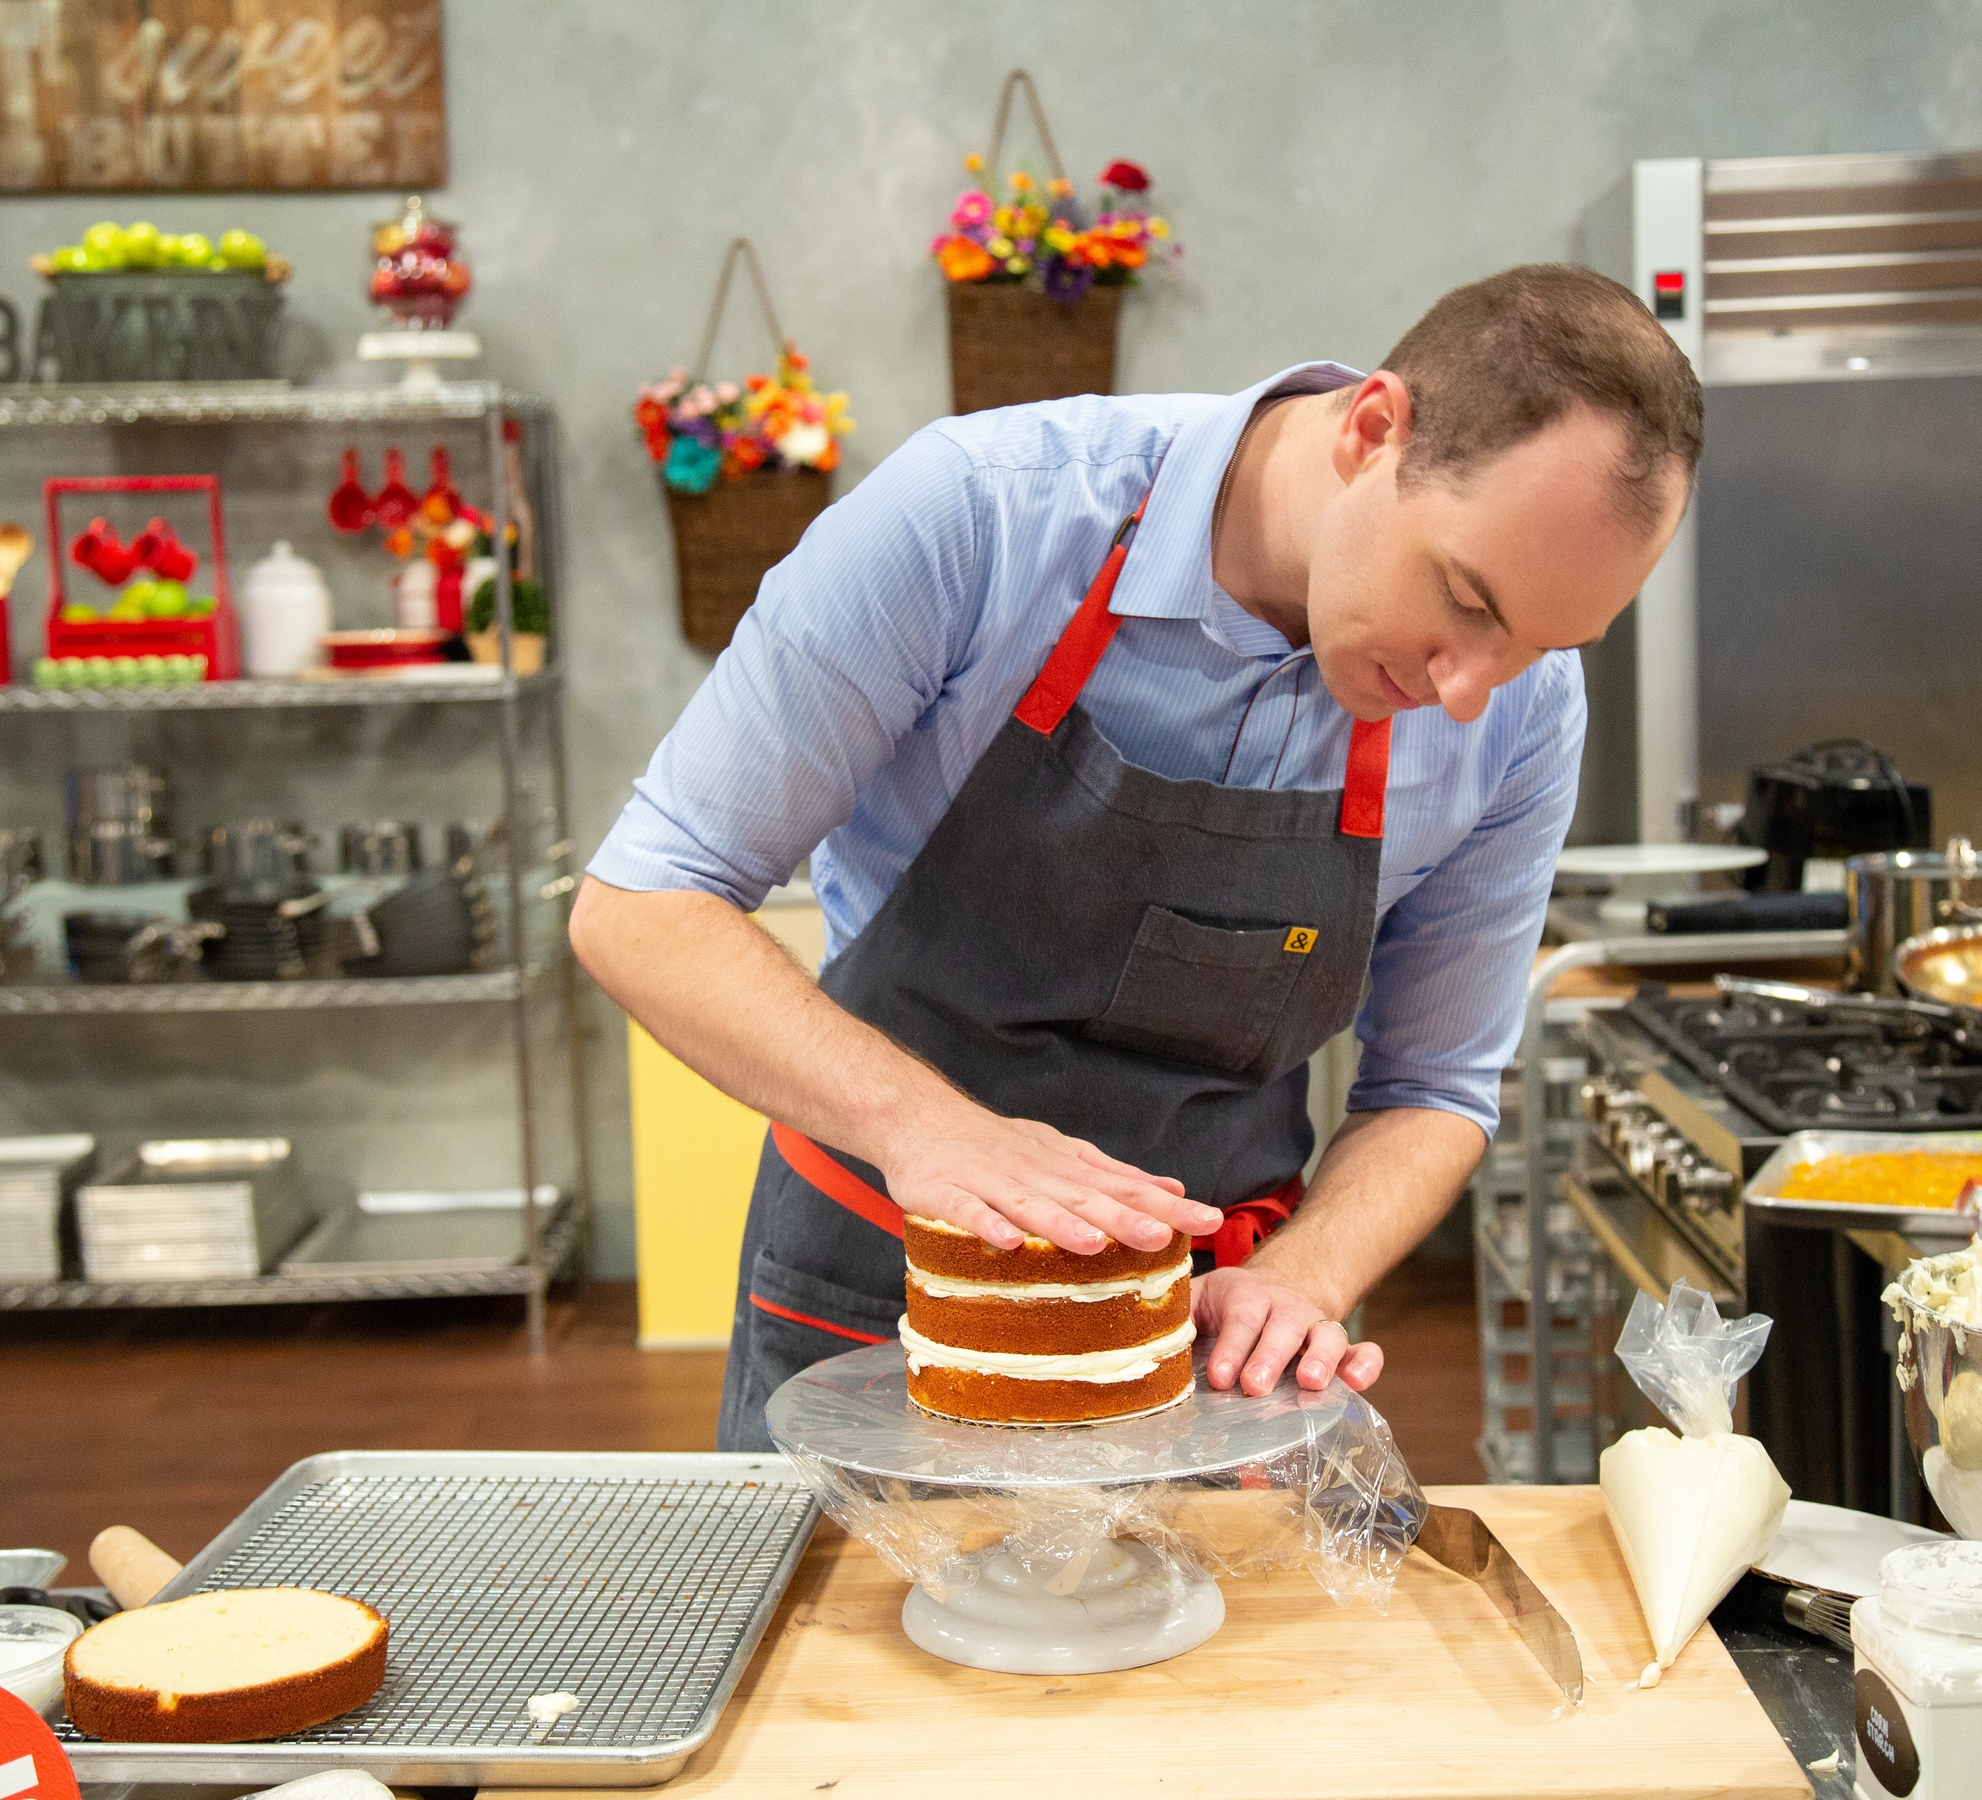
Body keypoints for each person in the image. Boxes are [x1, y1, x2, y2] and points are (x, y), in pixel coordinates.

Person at [573, 262, 1703, 1452]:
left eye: (1539, 643)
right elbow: (644, 899)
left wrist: (1304, 1279)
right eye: (1467, 601)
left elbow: (1435, 1087)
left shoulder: (1527, 710)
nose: (1470, 694)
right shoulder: (980, 518)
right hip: (882, 1302)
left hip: (1208, 1359)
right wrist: (932, 1132)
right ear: (1374, 432)